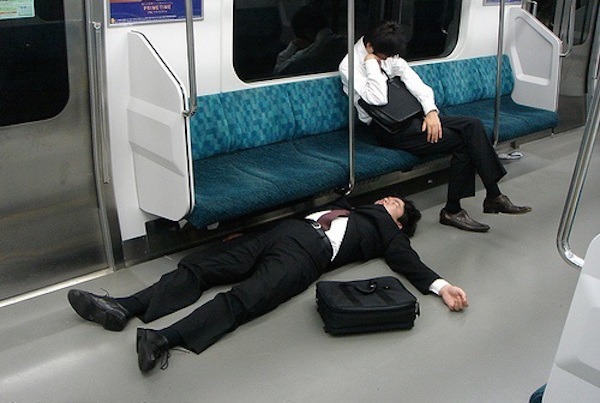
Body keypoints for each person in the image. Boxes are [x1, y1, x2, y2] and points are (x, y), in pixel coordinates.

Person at [67, 196, 468, 373]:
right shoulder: (352, 205)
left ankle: (163, 339)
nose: (385, 200)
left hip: (308, 254)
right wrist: (243, 235)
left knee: (246, 298)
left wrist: (440, 286)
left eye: (394, 203)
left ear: (399, 222)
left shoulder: (388, 232)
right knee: (199, 267)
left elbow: (410, 263)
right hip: (282, 233)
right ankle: (124, 306)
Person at [339, 21, 531, 233]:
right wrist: (372, 63)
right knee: (463, 144)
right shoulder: (349, 66)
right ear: (370, 47)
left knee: (473, 125)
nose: (389, 60)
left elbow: (417, 84)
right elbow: (378, 98)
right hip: (389, 129)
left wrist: (431, 112)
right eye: (385, 57)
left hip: (413, 116)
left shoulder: (387, 53)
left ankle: (493, 195)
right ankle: (454, 210)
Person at [274, 5, 347, 75]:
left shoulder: (308, 56)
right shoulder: (349, 43)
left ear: (306, 33)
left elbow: (278, 71)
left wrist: (293, 45)